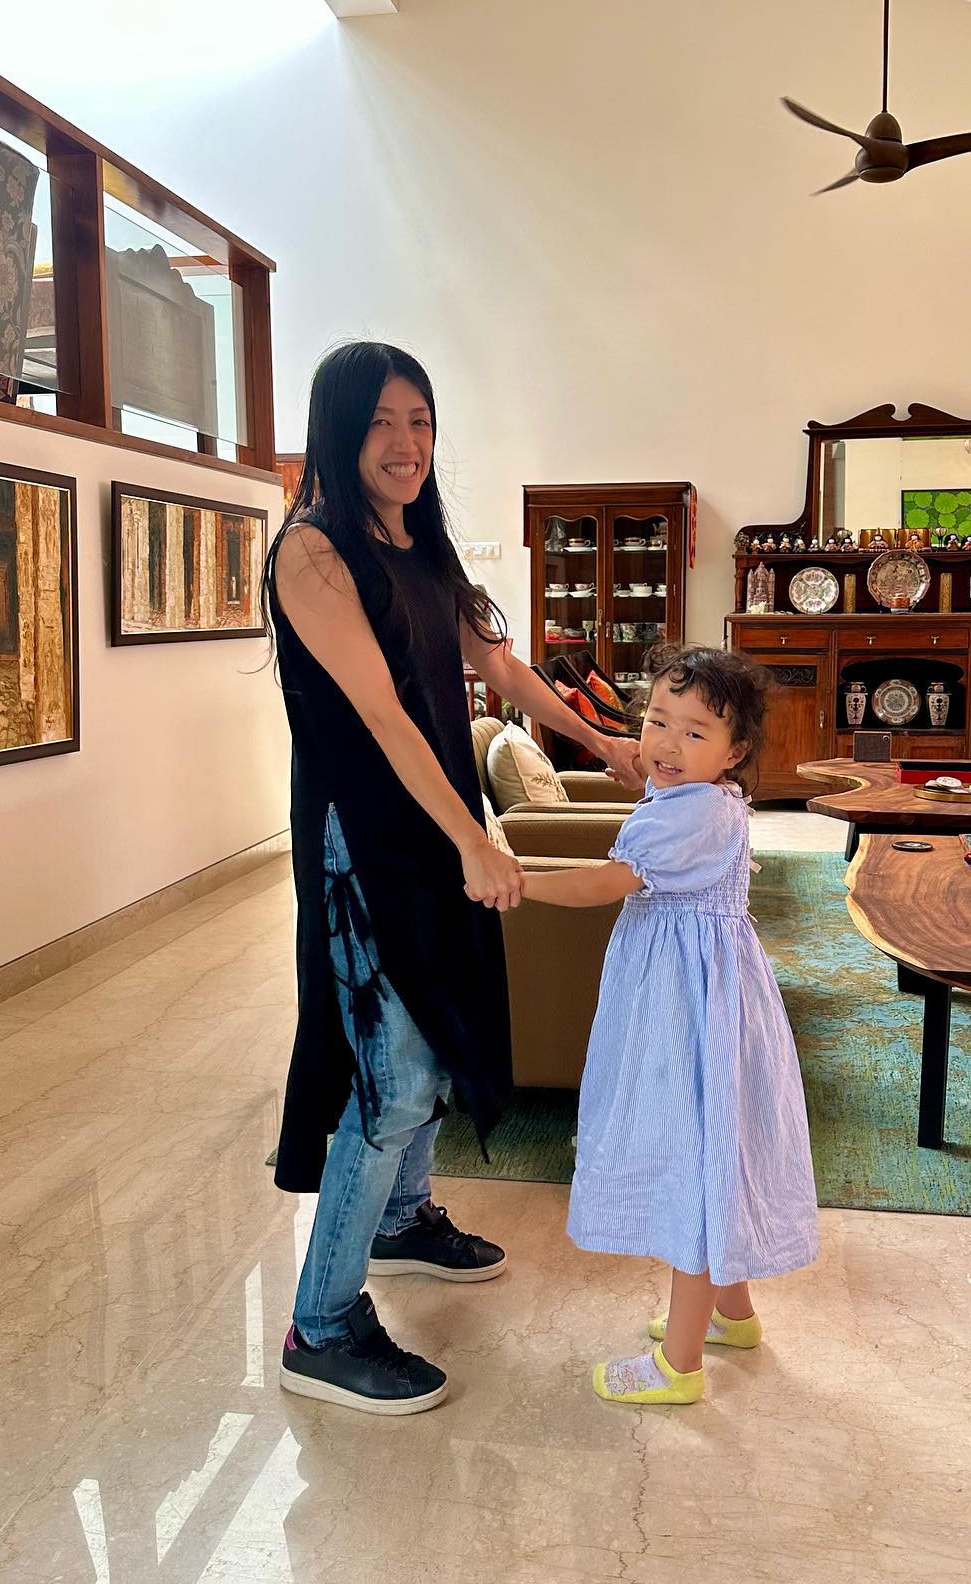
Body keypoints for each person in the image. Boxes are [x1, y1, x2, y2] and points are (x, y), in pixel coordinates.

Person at [265, 340, 642, 1417]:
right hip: (363, 839)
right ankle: (320, 1327)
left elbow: (502, 665)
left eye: (421, 421)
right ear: (340, 430)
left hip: (435, 821)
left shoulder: (421, 545)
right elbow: (382, 714)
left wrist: (600, 741)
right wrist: (475, 842)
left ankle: (401, 1220)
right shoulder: (315, 551)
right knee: (391, 1074)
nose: (407, 443)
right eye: (382, 422)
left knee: (447, 1019)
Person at [522, 643, 819, 1406]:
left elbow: (605, 884)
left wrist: (519, 880)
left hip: (691, 1011)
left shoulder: (696, 813)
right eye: (657, 721)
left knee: (694, 1166)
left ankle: (678, 1366)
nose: (668, 743)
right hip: (692, 998)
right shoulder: (695, 799)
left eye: (695, 732)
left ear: (735, 752)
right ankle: (732, 1316)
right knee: (711, 1148)